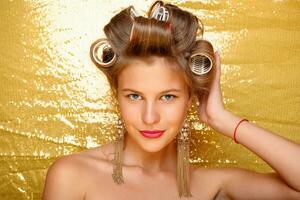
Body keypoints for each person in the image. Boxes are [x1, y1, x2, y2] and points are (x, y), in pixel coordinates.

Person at [42, 1, 300, 199]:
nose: (149, 117)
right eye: (134, 96)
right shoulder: (72, 175)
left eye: (168, 97)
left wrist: (221, 119)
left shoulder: (210, 184)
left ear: (190, 99)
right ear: (116, 96)